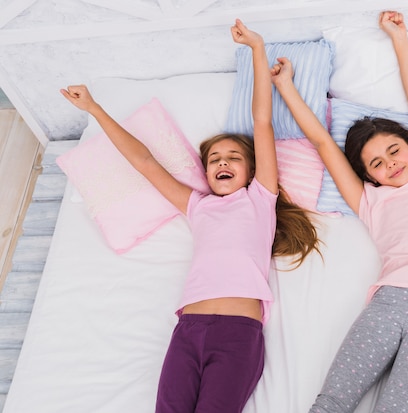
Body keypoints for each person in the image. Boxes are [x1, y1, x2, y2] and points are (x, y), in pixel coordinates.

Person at [61, 19, 319, 413]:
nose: (223, 163)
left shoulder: (260, 198)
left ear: (251, 171)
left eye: (234, 157)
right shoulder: (197, 204)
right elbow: (144, 162)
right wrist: (94, 108)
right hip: (188, 331)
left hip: (238, 333)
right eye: (215, 159)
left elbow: (261, 121)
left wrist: (257, 49)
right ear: (205, 171)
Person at [271, 10, 408, 413]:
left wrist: (398, 38)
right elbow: (321, 142)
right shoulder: (369, 201)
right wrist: (285, 87)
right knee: (330, 402)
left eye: (393, 150)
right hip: (391, 304)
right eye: (375, 163)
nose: (389, 163)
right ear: (368, 176)